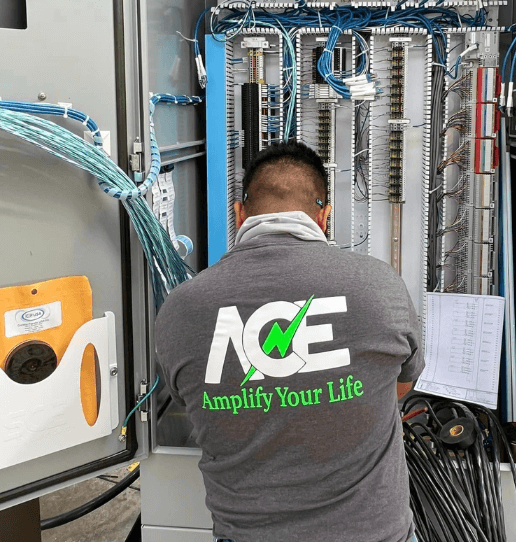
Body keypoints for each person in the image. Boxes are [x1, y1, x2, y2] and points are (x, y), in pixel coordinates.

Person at [155, 139, 424, 542]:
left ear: (240, 213)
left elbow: (195, 404)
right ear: (324, 217)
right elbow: (401, 384)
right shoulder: (379, 285)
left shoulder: (180, 309)